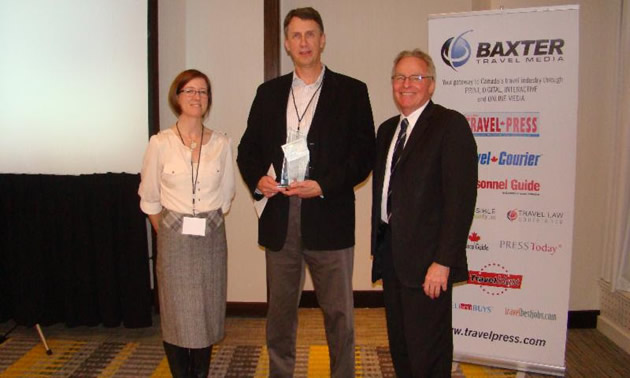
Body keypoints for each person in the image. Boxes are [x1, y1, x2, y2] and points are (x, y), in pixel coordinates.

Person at [237, 7, 375, 378]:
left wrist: (324, 184)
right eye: (296, 35)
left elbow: (364, 156)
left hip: (328, 217)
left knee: (339, 315)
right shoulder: (268, 93)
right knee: (280, 316)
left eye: (310, 34)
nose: (304, 42)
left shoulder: (352, 91)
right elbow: (247, 150)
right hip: (281, 217)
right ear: (286, 43)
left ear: (323, 39)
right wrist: (258, 180)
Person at [371, 49, 477, 377]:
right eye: (399, 77)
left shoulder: (450, 125)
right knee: (401, 347)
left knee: (428, 353)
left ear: (431, 85)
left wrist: (443, 262)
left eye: (415, 77)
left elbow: (460, 201)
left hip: (429, 264)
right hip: (392, 257)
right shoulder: (388, 130)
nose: (406, 84)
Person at [138, 69, 235, 378]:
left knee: (206, 312)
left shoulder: (221, 143)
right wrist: (170, 232)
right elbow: (150, 198)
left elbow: (226, 196)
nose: (197, 97)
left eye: (203, 92)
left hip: (211, 238)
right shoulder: (160, 143)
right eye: (190, 91)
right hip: (174, 240)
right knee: (177, 314)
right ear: (177, 97)